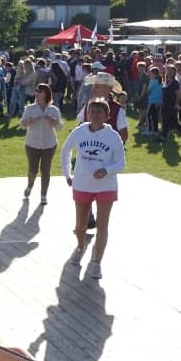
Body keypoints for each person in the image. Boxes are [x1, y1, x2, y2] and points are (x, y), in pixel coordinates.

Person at [61, 99, 125, 280]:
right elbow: (66, 151)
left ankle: (96, 262)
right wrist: (67, 174)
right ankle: (80, 247)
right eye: (92, 111)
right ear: (87, 113)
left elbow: (121, 162)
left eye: (99, 111)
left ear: (107, 115)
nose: (95, 114)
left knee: (102, 225)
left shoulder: (113, 136)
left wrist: (106, 170)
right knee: (80, 224)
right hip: (82, 183)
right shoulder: (79, 132)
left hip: (106, 185)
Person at [20, 84, 62, 205]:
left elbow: (60, 127)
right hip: (32, 143)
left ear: (46, 94)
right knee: (33, 169)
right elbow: (22, 124)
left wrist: (54, 122)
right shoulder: (30, 109)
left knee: (46, 170)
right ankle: (30, 185)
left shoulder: (53, 109)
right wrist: (31, 120)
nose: (37, 93)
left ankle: (43, 195)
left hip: (49, 144)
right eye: (36, 91)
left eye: (40, 91)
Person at [159, 66, 181, 144]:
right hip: (165, 104)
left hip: (171, 104)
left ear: (174, 72)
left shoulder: (175, 82)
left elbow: (178, 95)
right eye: (167, 70)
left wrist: (177, 104)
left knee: (167, 120)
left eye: (170, 71)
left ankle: (163, 137)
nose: (168, 72)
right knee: (172, 121)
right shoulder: (166, 81)